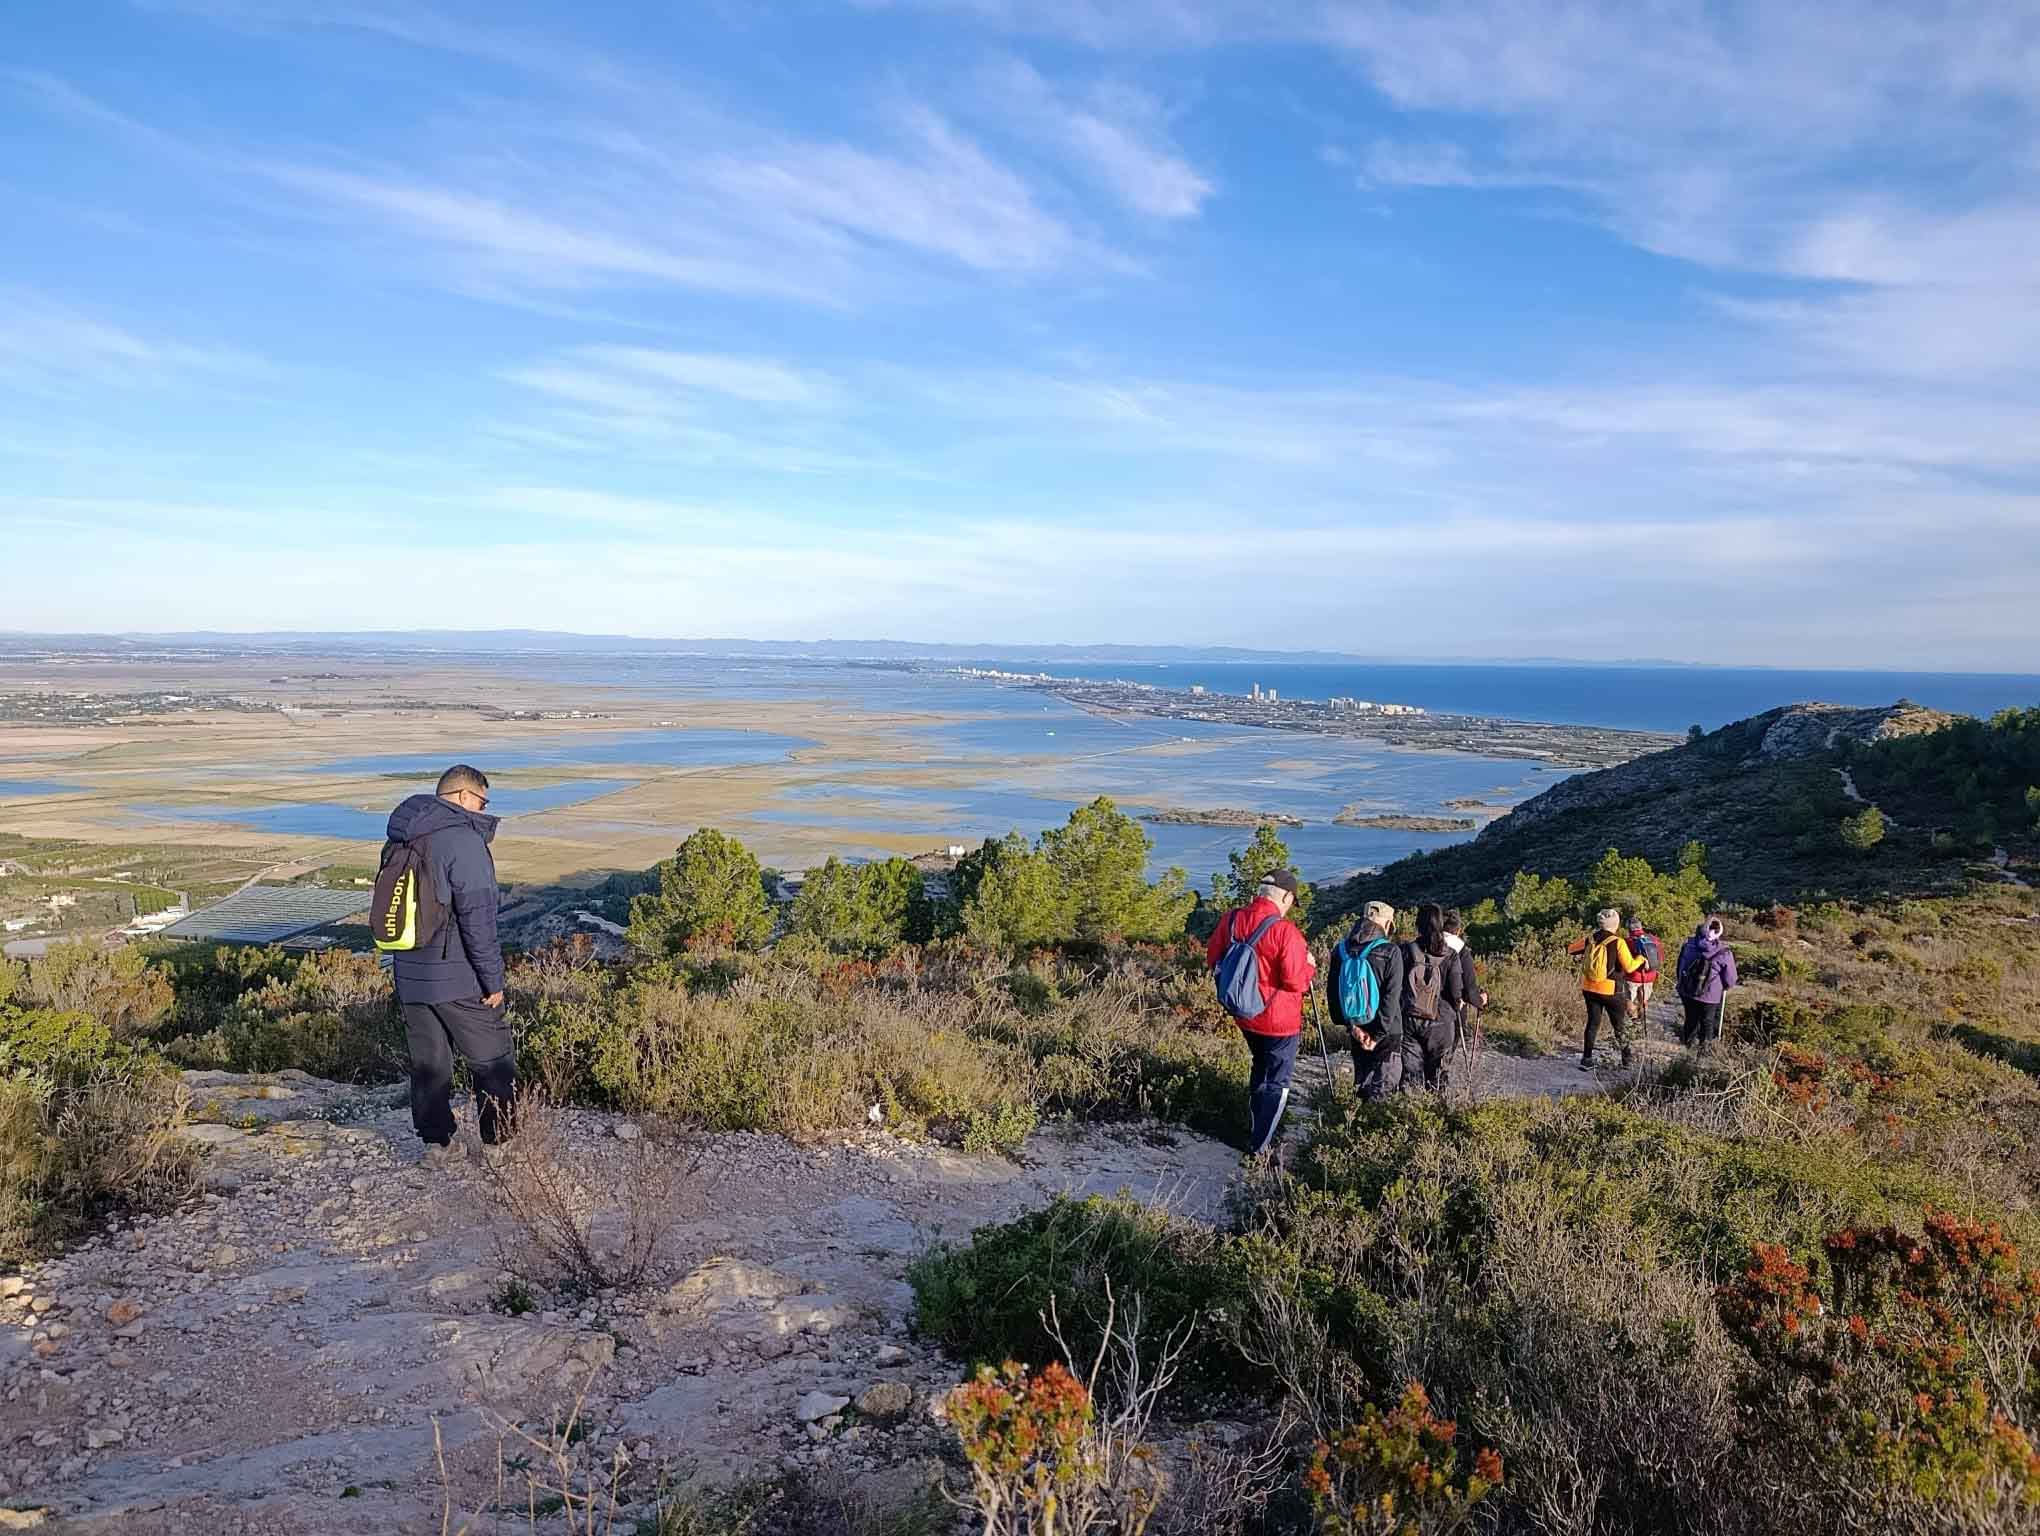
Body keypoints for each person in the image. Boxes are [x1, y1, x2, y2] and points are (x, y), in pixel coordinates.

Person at [385, 764, 512, 1167]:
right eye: (482, 802)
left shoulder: (402, 838)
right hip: (458, 976)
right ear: (462, 796)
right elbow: (478, 920)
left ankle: (438, 1146)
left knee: (429, 1065)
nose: (484, 809)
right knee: (492, 1059)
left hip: (411, 974)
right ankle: (498, 1147)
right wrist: (492, 980)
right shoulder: (462, 841)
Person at [1206, 868, 1316, 1157]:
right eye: (1292, 901)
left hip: (1244, 1015)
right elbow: (1295, 981)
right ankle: (1260, 1146)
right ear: (1287, 897)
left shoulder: (1231, 919)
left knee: (1260, 1066)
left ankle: (1256, 1127)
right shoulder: (1285, 931)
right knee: (1277, 1081)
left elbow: (1213, 957)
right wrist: (1310, 967)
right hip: (1279, 1022)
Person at [1329, 900, 1404, 1101]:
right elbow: (1391, 998)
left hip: (1357, 1030)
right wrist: (1377, 1036)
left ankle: (1355, 1118)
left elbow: (1334, 998)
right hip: (1388, 1033)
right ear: (1387, 924)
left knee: (1361, 1089)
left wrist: (1352, 1027)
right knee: (1383, 1093)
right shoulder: (1390, 951)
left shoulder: (1340, 951)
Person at [1400, 904, 1468, 1094]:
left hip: (1409, 1020)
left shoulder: (1405, 950)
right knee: (1438, 1079)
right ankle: (1436, 1109)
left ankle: (1409, 1108)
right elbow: (1456, 993)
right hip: (1441, 1022)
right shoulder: (1450, 955)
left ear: (1417, 925)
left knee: (1410, 1077)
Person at [1567, 909, 1646, 1071]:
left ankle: (1586, 1059)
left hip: (1589, 988)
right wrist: (1641, 959)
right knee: (1619, 1025)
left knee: (1592, 1023)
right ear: (1616, 924)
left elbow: (1571, 949)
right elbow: (1630, 967)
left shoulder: (1591, 938)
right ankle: (1626, 1060)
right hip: (1611, 990)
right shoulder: (1618, 942)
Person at [1676, 915, 1740, 1052]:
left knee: (1690, 1020)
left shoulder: (1688, 946)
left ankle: (1687, 1050)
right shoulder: (1724, 952)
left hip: (1687, 991)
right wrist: (1724, 987)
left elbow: (1680, 967)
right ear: (1719, 932)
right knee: (1707, 1022)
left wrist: (1682, 984)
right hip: (1710, 995)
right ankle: (1704, 1053)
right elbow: (1731, 978)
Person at [1442, 909, 1489, 1053]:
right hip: (1452, 1009)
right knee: (1445, 1056)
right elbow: (1469, 989)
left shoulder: (1425, 944)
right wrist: (1480, 1001)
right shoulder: (1461, 949)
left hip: (1419, 1008)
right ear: (1458, 930)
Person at [1625, 918, 1663, 1028]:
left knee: (1628, 1001)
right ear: (1641, 926)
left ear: (1629, 929)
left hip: (1632, 977)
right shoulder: (1654, 939)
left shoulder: (1627, 941)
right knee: (1643, 1001)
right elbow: (1660, 959)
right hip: (1650, 976)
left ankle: (1635, 1023)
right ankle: (1642, 1023)